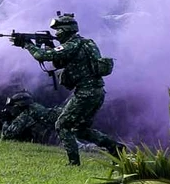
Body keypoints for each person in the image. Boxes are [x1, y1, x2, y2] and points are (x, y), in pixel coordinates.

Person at [14, 11, 125, 165]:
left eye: (58, 30)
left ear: (66, 30)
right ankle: (116, 149)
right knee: (80, 129)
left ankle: (74, 163)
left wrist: (27, 44)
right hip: (97, 92)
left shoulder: (72, 45)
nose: (57, 34)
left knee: (62, 124)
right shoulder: (87, 43)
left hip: (86, 93)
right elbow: (63, 62)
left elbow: (41, 56)